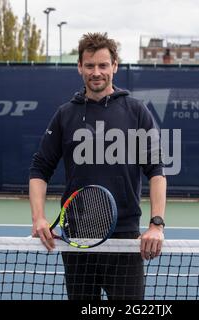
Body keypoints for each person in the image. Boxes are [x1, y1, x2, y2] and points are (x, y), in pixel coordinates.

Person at [29, 32, 167, 300]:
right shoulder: (65, 114)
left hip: (124, 237)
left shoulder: (136, 111)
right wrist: (38, 217)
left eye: (103, 65)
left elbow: (156, 171)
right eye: (90, 65)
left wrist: (156, 224)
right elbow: (39, 169)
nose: (96, 72)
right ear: (80, 67)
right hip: (77, 236)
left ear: (115, 66)